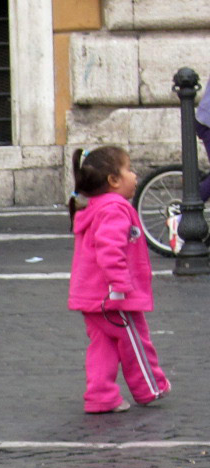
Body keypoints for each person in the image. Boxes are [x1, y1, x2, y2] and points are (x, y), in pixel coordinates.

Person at [68, 146, 170, 413]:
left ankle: (101, 396)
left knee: (103, 346)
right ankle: (150, 388)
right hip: (113, 297)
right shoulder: (115, 208)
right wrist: (120, 284)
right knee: (135, 342)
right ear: (113, 180)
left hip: (91, 296)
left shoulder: (95, 208)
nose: (135, 175)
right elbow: (109, 249)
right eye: (129, 169)